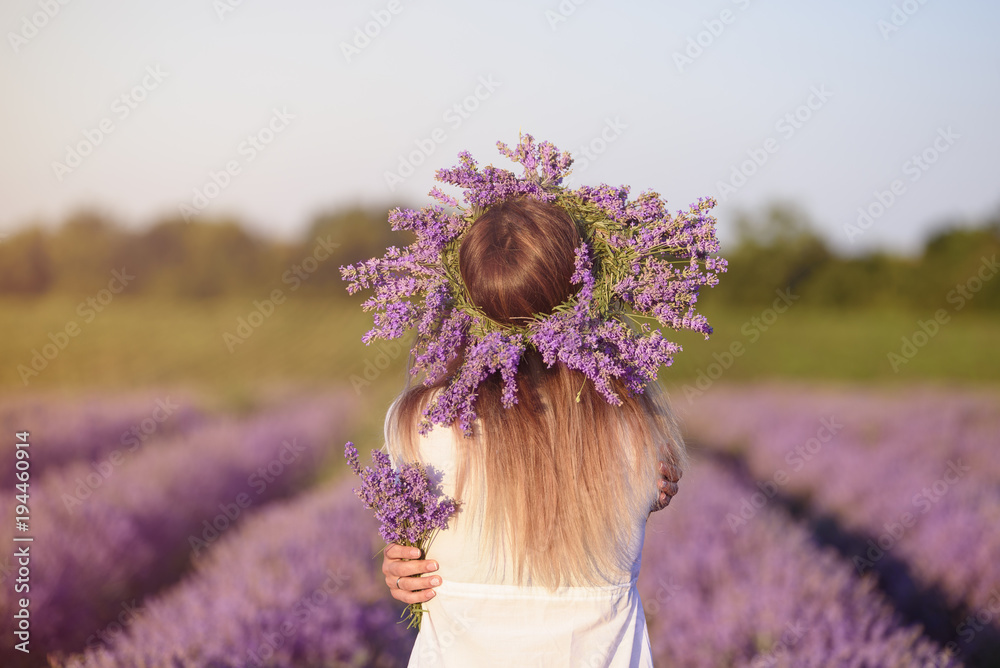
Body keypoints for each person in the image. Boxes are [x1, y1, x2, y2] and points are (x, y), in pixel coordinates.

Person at [379, 197, 689, 666]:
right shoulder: (639, 427)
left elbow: (418, 545)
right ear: (586, 286)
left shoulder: (420, 423)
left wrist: (400, 563)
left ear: (464, 295)